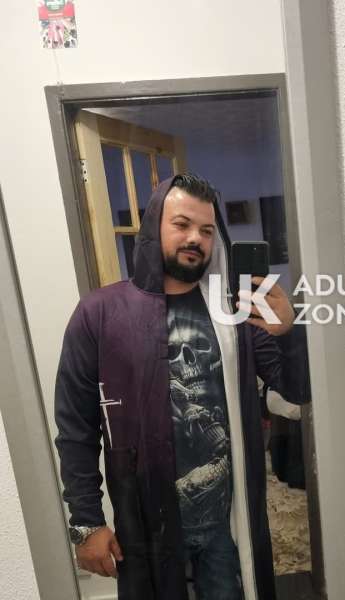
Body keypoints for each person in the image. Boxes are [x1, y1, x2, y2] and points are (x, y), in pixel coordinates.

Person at [54, 173, 310, 600]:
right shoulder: (100, 313)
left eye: (207, 230)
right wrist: (86, 522)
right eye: (182, 224)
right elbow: (75, 427)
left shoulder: (234, 311)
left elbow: (296, 390)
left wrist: (289, 333)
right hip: (147, 526)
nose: (195, 238)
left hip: (225, 524)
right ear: (154, 228)